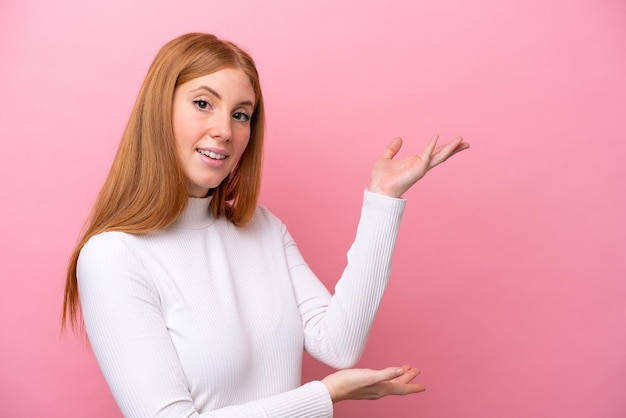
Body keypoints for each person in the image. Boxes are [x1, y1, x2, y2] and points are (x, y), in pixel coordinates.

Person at [62, 32, 469, 417]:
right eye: (203, 103)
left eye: (242, 114)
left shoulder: (262, 228)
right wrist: (324, 396)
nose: (225, 130)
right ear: (159, 111)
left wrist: (383, 200)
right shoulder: (113, 256)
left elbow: (339, 343)